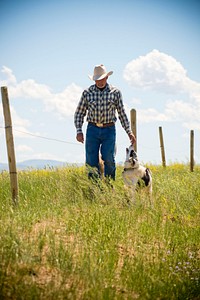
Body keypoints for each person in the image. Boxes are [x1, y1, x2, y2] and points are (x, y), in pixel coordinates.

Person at [74, 64, 136, 180]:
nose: (100, 82)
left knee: (109, 159)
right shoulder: (87, 93)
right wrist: (79, 131)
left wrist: (129, 131)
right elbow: (79, 113)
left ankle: (109, 186)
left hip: (109, 130)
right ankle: (94, 189)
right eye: (97, 80)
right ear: (94, 80)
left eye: (102, 79)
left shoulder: (115, 92)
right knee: (91, 160)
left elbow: (122, 113)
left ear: (107, 78)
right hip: (92, 129)